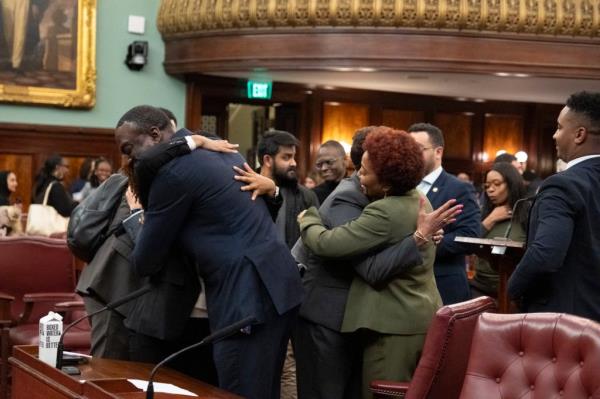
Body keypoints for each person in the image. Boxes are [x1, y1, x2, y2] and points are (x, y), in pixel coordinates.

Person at [114, 105, 304, 399]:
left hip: (245, 298)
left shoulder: (173, 174)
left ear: (154, 134)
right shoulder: (223, 150)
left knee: (237, 392)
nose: (129, 158)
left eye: (129, 148)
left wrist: (138, 216)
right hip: (278, 285)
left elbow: (147, 261)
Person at [292, 126, 460, 399]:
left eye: (365, 171)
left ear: (386, 180)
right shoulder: (416, 198)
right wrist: (418, 238)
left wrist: (307, 218)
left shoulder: (384, 209)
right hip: (378, 318)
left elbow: (335, 248)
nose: (359, 175)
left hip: (391, 323)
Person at [508, 91, 600, 322]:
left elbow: (546, 253)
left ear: (579, 134)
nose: (554, 135)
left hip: (565, 323)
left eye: (559, 127)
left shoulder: (563, 184)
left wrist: (513, 288)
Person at [408, 123, 481, 304]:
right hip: (407, 285)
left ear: (438, 152)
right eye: (408, 149)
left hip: (444, 285)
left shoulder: (459, 188)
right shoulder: (402, 186)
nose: (411, 155)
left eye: (418, 149)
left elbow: (470, 236)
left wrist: (430, 241)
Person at [470, 162, 528, 298]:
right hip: (479, 289)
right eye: (487, 186)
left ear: (512, 184)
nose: (490, 189)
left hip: (513, 293)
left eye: (497, 184)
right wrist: (490, 220)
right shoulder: (484, 213)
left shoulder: (527, 215)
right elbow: (469, 244)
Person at [0, 170, 22, 236]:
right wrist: (16, 212)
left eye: (15, 180)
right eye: (12, 180)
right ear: (3, 182)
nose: (16, 183)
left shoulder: (5, 199)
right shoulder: (2, 200)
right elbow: (9, 227)